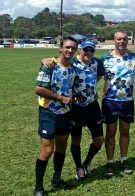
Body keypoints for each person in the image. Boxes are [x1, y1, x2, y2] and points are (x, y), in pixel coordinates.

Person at [41, 40, 105, 182]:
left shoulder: (97, 62)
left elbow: (98, 77)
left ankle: (87, 162)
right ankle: (79, 167)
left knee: (99, 139)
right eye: (86, 50)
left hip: (92, 106)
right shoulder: (72, 63)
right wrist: (44, 59)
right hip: (75, 107)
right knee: (76, 140)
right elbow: (57, 61)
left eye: (92, 50)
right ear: (80, 50)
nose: (89, 53)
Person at [34, 37, 78, 196]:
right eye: (67, 47)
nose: (70, 50)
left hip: (65, 113)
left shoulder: (72, 68)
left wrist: (73, 97)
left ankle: (57, 179)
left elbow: (69, 87)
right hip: (49, 113)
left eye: (73, 48)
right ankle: (38, 188)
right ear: (60, 48)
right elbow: (38, 89)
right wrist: (60, 98)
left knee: (62, 145)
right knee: (47, 150)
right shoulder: (49, 65)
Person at [101, 30, 135, 178]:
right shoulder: (105, 58)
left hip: (127, 101)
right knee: (110, 133)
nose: (122, 41)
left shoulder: (134, 58)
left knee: (125, 132)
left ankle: (124, 160)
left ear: (128, 41)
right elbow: (90, 74)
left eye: (125, 39)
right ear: (114, 40)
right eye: (119, 39)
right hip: (110, 102)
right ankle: (110, 162)